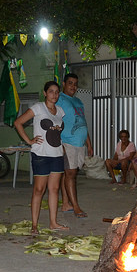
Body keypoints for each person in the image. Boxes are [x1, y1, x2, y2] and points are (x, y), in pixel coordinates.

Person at [14, 81, 69, 234]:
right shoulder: (38, 107)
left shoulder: (60, 111)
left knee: (54, 189)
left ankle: (53, 223)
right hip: (41, 154)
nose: (54, 95)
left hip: (57, 154)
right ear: (45, 93)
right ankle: (34, 225)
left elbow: (57, 131)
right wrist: (29, 141)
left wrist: (61, 144)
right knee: (39, 189)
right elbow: (18, 123)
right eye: (51, 91)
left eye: (57, 92)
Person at [57, 73, 93, 218]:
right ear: (64, 84)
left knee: (69, 174)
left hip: (80, 143)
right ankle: (76, 207)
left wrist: (89, 144)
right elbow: (55, 120)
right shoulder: (59, 99)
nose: (73, 86)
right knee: (71, 174)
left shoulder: (78, 101)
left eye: (75, 84)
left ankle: (66, 204)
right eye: (70, 83)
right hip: (67, 141)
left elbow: (82, 122)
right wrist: (60, 144)